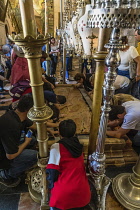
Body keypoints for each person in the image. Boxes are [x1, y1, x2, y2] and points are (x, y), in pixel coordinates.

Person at [46, 119, 91, 210]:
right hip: (83, 194)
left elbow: (52, 171)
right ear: (75, 132)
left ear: (59, 132)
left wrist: (50, 186)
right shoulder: (79, 145)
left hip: (64, 195)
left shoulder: (57, 147)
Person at [0, 94, 37, 187]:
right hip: (4, 158)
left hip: (11, 145)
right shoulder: (11, 126)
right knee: (34, 155)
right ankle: (6, 175)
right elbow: (11, 156)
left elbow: (33, 125)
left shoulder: (16, 114)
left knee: (32, 140)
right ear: (28, 110)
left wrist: (51, 128)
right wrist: (26, 142)